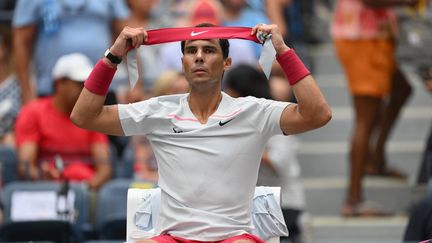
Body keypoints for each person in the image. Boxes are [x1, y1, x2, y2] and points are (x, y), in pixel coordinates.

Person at [71, 23, 331, 242]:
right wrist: (113, 55)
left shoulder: (253, 111)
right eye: (191, 51)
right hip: (172, 237)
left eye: (209, 50)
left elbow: (318, 114)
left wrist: (284, 52)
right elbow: (83, 115)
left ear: (226, 62)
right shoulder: (158, 110)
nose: (198, 56)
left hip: (234, 237)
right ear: (183, 63)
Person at [331, 0, 418, 217]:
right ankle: (353, 200)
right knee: (365, 120)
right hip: (363, 38)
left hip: (371, 35)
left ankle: (376, 159)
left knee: (402, 90)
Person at [225, 64, 311, 243]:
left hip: (283, 205)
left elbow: (279, 163)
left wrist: (245, 146)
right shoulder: (232, 123)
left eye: (230, 93)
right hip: (247, 207)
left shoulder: (276, 118)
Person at [15, 53, 112, 191]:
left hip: (85, 192)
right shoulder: (33, 112)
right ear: (59, 83)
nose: (87, 88)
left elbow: (104, 168)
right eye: (81, 83)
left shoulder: (92, 115)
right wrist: (43, 176)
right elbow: (25, 166)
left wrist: (86, 191)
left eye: (90, 82)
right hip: (46, 192)